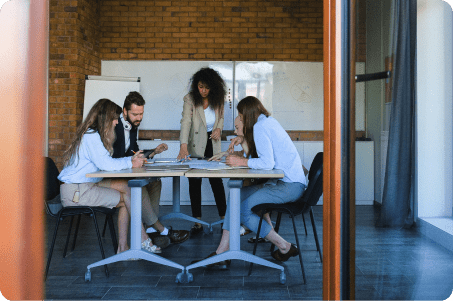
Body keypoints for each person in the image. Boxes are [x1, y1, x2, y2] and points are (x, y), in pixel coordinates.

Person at [193, 96, 307, 267]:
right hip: (287, 183)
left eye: (240, 114)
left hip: (290, 186)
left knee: (245, 210)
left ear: (247, 115)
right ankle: (222, 251)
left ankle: (284, 246)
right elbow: (264, 159)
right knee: (235, 195)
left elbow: (267, 164)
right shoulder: (267, 122)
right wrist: (244, 142)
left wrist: (241, 162)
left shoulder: (261, 126)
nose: (238, 118)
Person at [57, 98, 160, 255]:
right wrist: (132, 162)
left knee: (128, 191)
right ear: (105, 119)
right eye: (114, 118)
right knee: (128, 197)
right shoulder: (91, 136)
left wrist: (131, 160)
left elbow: (106, 162)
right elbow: (106, 165)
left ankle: (126, 247)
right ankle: (140, 241)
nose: (116, 122)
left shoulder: (93, 134)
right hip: (76, 193)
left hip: (84, 185)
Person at [113, 91, 189, 247]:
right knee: (139, 186)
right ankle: (161, 229)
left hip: (127, 169)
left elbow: (135, 151)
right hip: (114, 174)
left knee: (155, 182)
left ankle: (150, 228)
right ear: (125, 111)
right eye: (135, 114)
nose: (139, 118)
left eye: (141, 114)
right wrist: (133, 160)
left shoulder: (132, 126)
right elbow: (114, 158)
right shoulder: (115, 127)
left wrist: (153, 152)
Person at [177, 67, 227, 236]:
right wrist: (183, 145)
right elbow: (185, 122)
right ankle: (197, 221)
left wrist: (219, 129)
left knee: (216, 182)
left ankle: (224, 218)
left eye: (207, 87)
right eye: (200, 86)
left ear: (213, 86)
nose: (203, 90)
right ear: (196, 86)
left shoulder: (218, 99)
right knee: (195, 182)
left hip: (213, 143)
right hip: (196, 143)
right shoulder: (190, 99)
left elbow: (220, 118)